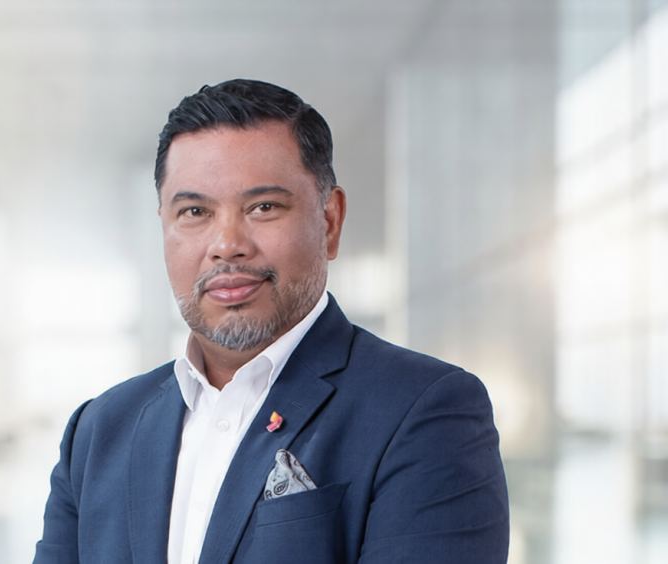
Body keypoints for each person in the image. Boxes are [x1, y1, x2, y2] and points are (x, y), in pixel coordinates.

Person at [33, 79, 509, 564]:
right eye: (195, 211)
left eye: (263, 207)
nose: (227, 245)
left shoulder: (423, 410)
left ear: (329, 221)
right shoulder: (98, 431)